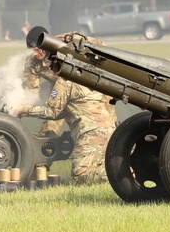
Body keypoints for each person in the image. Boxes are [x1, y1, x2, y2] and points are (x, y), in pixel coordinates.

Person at [16, 57, 118, 185]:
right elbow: (66, 111)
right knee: (99, 167)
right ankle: (120, 173)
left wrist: (24, 109)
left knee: (80, 178)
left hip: (90, 134)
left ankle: (117, 177)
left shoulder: (64, 82)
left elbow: (52, 112)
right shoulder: (86, 78)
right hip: (108, 131)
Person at [21, 25, 66, 138]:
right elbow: (31, 89)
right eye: (33, 50)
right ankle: (48, 136)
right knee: (50, 119)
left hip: (84, 90)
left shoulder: (64, 50)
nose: (36, 53)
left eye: (37, 49)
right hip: (59, 88)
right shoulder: (33, 62)